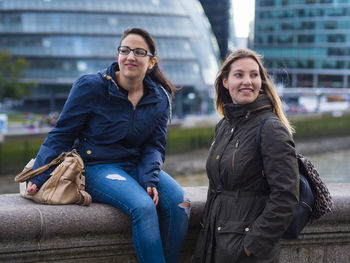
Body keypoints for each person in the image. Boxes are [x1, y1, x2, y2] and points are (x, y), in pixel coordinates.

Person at [26, 27, 191, 263]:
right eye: (125, 50)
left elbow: (154, 146)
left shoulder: (160, 98)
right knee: (143, 207)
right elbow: (62, 133)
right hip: (97, 166)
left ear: (152, 61)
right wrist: (38, 175)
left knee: (180, 204)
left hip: (135, 165)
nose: (130, 56)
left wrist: (150, 178)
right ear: (118, 55)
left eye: (139, 52)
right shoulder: (91, 87)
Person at [192, 49, 299, 263]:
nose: (247, 81)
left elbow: (286, 197)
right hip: (215, 244)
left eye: (254, 74)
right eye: (239, 74)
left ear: (261, 81)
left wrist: (250, 246)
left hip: (246, 253)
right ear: (225, 81)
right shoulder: (224, 125)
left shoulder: (271, 128)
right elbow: (217, 188)